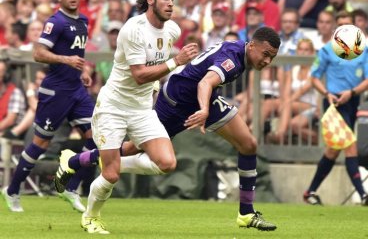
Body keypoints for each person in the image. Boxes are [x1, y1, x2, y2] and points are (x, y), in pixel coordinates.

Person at [55, 26, 281, 233]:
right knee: (133, 149)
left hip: (204, 99)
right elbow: (205, 83)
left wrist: (204, 106)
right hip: (175, 102)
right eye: (265, 54)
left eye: (272, 57)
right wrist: (203, 110)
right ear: (252, 45)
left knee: (249, 145)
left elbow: (205, 83)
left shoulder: (238, 50)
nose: (267, 61)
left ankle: (246, 213)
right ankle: (75, 162)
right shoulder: (233, 59)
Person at [54, 0, 199, 234]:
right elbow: (140, 74)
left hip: (142, 109)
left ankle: (75, 160)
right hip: (114, 107)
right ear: (151, 0)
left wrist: (158, 84)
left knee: (167, 163)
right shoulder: (133, 28)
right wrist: (176, 61)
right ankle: (90, 217)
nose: (170, 4)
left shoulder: (173, 30)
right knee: (110, 175)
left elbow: (153, 72)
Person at [1, 0, 98, 213]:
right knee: (40, 144)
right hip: (55, 91)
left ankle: (70, 187)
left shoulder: (83, 20)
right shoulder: (55, 22)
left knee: (97, 138)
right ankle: (12, 189)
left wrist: (83, 70)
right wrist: (65, 60)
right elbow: (38, 53)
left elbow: (76, 53)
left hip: (76, 89)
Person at [303, 10, 368, 206]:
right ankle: (364, 194)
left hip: (352, 101)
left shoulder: (363, 51)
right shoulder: (326, 50)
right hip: (333, 102)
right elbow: (314, 77)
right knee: (349, 145)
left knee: (333, 150)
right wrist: (326, 93)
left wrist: (352, 92)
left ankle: (310, 191)